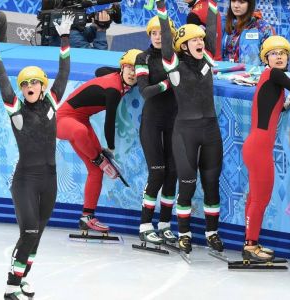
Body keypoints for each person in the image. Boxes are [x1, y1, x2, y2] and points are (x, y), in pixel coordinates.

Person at [0, 13, 72, 300]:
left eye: (34, 82)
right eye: (25, 83)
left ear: (42, 85)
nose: (29, 86)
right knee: (29, 230)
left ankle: (21, 280)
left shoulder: (52, 103)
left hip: (49, 180)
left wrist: (65, 38)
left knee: (37, 234)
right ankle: (10, 286)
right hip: (26, 180)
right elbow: (2, 75)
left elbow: (64, 73)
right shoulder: (15, 109)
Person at [155, 0, 224, 256]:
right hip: (185, 133)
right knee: (188, 185)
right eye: (194, 40)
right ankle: (184, 234)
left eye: (201, 40)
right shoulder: (174, 66)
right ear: (183, 45)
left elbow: (215, 32)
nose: (200, 43)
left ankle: (211, 233)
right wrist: (162, 10)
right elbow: (165, 36)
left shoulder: (206, 60)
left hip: (210, 131)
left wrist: (214, 6)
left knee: (211, 183)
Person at [242, 36, 290, 262]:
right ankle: (250, 246)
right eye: (274, 53)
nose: (279, 56)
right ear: (266, 58)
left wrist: (286, 104)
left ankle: (250, 243)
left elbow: (270, 110)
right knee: (260, 199)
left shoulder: (270, 78)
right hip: (258, 150)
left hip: (256, 146)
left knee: (254, 198)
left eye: (283, 53)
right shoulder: (275, 74)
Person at [56, 48, 142, 235]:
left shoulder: (121, 77)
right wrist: (105, 151)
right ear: (122, 68)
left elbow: (99, 71)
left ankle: (87, 217)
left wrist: (100, 157)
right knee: (88, 146)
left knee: (96, 171)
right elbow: (110, 122)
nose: (133, 74)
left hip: (82, 120)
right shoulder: (114, 90)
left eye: (137, 70)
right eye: (129, 69)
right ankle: (98, 159)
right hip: (64, 120)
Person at [135, 16, 178, 246]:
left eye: (162, 32)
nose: (159, 37)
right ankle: (144, 225)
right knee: (158, 174)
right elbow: (145, 91)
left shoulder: (177, 58)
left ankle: (164, 224)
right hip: (152, 123)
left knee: (173, 173)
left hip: (174, 122)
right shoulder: (144, 58)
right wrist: (168, 84)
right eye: (154, 33)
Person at [222, 0, 275, 65]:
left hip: (252, 73)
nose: (236, 6)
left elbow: (271, 58)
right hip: (222, 73)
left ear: (250, 4)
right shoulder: (222, 23)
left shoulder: (263, 27)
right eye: (233, 1)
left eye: (241, 2)